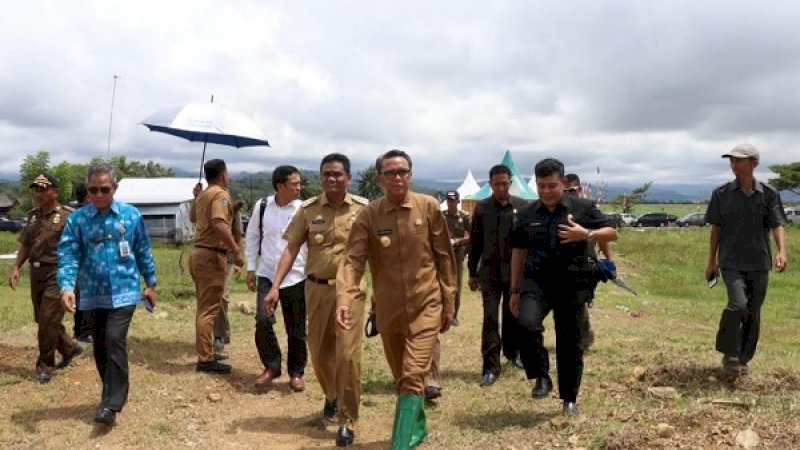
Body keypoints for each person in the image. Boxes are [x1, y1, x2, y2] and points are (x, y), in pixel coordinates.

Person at [336, 149, 456, 450]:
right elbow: (352, 261)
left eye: (403, 171)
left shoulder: (428, 207)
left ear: (411, 175)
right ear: (380, 179)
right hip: (388, 310)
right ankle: (416, 428)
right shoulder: (369, 215)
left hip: (426, 304)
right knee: (402, 377)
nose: (398, 177)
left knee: (414, 373)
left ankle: (401, 444)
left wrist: (449, 301)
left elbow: (444, 257)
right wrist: (344, 297)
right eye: (391, 173)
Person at [266, 153, 368, 447]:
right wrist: (276, 286)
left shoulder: (363, 210)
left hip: (351, 291)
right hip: (316, 289)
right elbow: (291, 249)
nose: (331, 179)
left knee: (347, 355)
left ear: (348, 178)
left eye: (337, 174)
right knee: (320, 352)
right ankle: (333, 394)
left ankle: (347, 420)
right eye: (326, 174)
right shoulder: (308, 210)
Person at [509, 158, 617, 417]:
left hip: (572, 283)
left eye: (552, 186)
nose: (547, 191)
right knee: (526, 324)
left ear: (564, 183)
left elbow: (612, 232)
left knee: (570, 343)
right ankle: (541, 375)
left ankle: (569, 398)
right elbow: (518, 252)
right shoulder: (526, 213)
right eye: (542, 185)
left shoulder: (583, 208)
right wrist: (514, 291)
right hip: (537, 282)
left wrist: (586, 235)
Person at [57, 163, 158, 425]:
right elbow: (68, 254)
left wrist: (150, 283)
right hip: (92, 294)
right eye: (93, 190)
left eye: (104, 189)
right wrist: (67, 286)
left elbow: (143, 249)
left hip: (125, 292)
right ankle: (109, 392)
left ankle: (111, 403)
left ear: (114, 188)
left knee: (114, 339)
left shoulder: (131, 215)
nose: (99, 195)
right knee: (100, 346)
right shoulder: (78, 219)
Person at [705, 143, 787, 376]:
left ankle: (743, 358)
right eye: (732, 161)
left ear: (754, 163)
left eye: (739, 160)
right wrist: (712, 261)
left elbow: (777, 225)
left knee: (753, 310)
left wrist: (782, 252)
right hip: (731, 261)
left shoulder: (769, 194)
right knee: (737, 305)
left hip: (759, 262)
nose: (734, 165)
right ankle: (729, 353)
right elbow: (716, 229)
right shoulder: (721, 194)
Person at [8, 173, 82, 384]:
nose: (39, 194)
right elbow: (25, 245)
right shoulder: (32, 216)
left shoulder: (69, 216)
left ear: (55, 192)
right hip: (37, 273)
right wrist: (16, 266)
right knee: (42, 318)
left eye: (44, 189)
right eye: (36, 190)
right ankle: (69, 348)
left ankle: (45, 365)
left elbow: (78, 246)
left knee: (47, 319)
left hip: (58, 273)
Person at [245, 166, 308, 389]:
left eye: (300, 183)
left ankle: (296, 372)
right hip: (267, 274)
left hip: (296, 276)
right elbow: (252, 237)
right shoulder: (262, 207)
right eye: (295, 184)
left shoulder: (303, 209)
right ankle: (272, 366)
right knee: (263, 321)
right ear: (280, 186)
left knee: (296, 328)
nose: (299, 187)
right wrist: (251, 268)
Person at [468, 164, 526, 387]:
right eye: (496, 184)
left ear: (510, 183)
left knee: (513, 316)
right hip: (489, 274)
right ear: (490, 184)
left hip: (514, 274)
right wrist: (472, 272)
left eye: (505, 183)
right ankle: (490, 367)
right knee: (490, 319)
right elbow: (475, 243)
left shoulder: (521, 207)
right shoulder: (482, 208)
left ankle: (513, 353)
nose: (501, 187)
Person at [190, 159, 244, 375]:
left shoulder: (203, 195)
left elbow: (194, 217)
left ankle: (207, 351)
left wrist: (196, 197)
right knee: (209, 309)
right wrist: (236, 250)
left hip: (198, 254)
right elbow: (220, 223)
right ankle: (205, 358)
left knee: (205, 305)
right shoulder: (221, 195)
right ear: (223, 175)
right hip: (211, 255)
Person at [422, 190, 470, 402]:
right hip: (419, 276)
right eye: (447, 200)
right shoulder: (437, 218)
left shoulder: (463, 217)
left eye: (453, 200)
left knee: (453, 289)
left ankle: (431, 380)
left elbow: (471, 235)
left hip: (452, 260)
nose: (450, 203)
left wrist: (458, 242)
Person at [564, 173, 613, 350]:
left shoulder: (586, 209)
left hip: (584, 262)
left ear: (579, 190)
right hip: (560, 264)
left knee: (580, 303)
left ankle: (583, 339)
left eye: (572, 190)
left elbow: (605, 236)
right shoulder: (557, 208)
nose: (568, 194)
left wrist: (609, 261)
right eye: (565, 190)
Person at [71, 182, 93, 345]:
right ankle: (83, 333)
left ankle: (80, 332)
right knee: (84, 299)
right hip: (83, 265)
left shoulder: (74, 215)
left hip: (81, 264)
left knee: (81, 299)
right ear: (86, 198)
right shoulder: (82, 217)